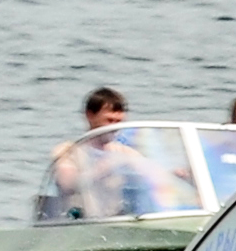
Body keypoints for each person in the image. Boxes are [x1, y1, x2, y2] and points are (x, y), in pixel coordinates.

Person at [40, 87, 197, 222]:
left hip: (113, 222)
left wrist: (177, 175)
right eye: (109, 121)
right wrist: (103, 168)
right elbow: (68, 184)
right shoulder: (68, 151)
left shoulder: (122, 151)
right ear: (90, 115)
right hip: (79, 223)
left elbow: (153, 173)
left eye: (119, 121)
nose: (115, 127)